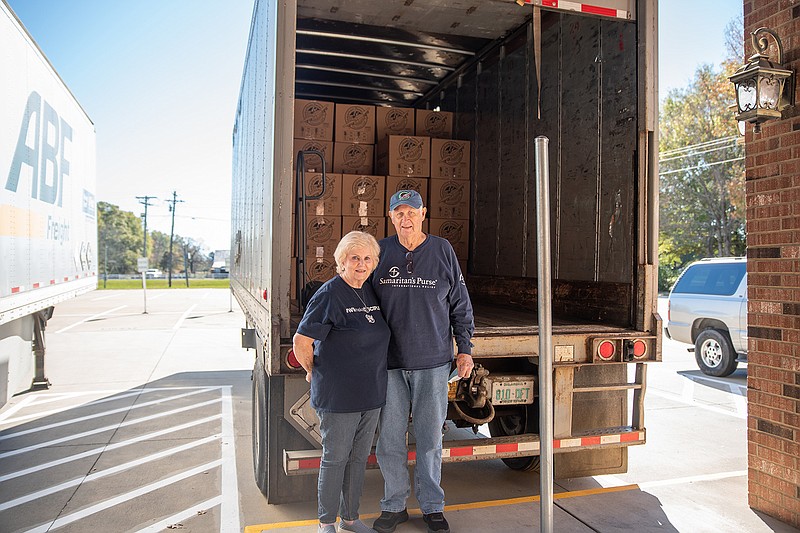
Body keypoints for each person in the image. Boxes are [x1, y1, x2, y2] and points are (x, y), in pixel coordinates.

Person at [369, 190, 475, 533]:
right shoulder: (380, 252)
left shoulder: (442, 250)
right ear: (391, 217)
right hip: (389, 364)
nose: (405, 218)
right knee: (389, 439)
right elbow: (360, 298)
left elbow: (460, 304)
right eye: (398, 212)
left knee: (430, 439)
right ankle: (394, 505)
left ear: (423, 213)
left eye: (411, 211)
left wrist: (465, 348)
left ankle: (432, 506)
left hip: (433, 362)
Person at [293, 231, 390, 533]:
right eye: (354, 258)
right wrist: (312, 371)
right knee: (335, 459)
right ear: (341, 261)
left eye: (366, 258)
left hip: (370, 393)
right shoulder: (330, 294)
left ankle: (350, 518)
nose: (361, 264)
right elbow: (301, 341)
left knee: (359, 458)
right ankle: (326, 522)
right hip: (339, 396)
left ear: (374, 263)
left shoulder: (370, 291)